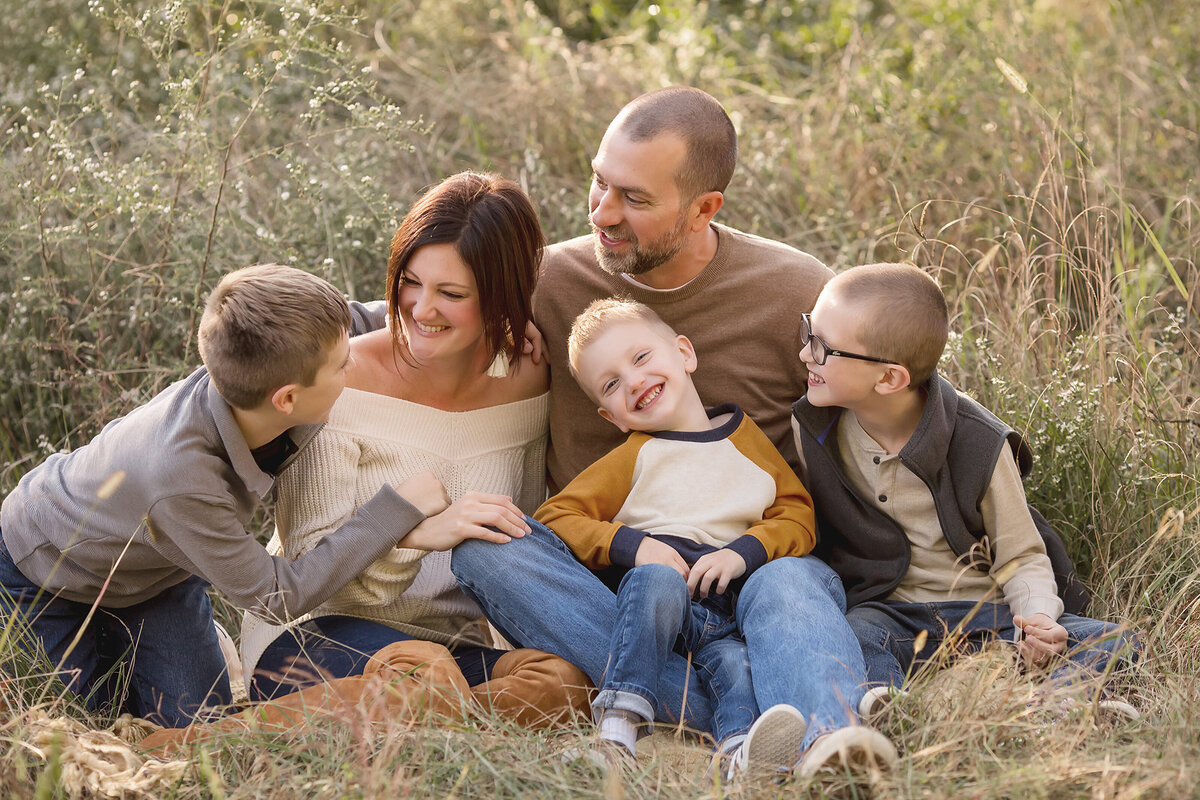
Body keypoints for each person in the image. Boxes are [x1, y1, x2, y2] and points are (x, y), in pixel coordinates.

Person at [453, 87, 896, 779]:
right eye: (599, 182)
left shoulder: (794, 292)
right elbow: (427, 309)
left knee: (791, 581)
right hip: (616, 592)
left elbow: (894, 385)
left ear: (703, 209)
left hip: (757, 577)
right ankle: (736, 701)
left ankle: (827, 741)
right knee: (483, 550)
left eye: (632, 198)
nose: (602, 212)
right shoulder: (546, 280)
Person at [0, 264, 443, 727]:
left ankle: (143, 636)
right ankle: (106, 642)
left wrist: (492, 324)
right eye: (342, 365)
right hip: (44, 573)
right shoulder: (182, 480)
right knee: (80, 724)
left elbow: (356, 321)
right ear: (287, 400)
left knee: (201, 726)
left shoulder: (260, 364)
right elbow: (278, 596)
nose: (356, 360)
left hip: (156, 577)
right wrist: (396, 511)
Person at [235, 171, 590, 729]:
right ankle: (184, 743)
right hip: (315, 630)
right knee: (422, 674)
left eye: (452, 294)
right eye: (410, 282)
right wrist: (417, 534)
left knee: (564, 684)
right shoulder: (340, 382)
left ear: (502, 297)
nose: (421, 309)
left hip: (449, 642)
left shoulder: (529, 380)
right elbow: (307, 567)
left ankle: (405, 720)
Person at [789, 262, 1140, 718]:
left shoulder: (979, 442)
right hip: (890, 617)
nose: (804, 355)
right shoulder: (814, 427)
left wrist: (1037, 621)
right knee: (853, 634)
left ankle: (1057, 706)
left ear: (889, 379)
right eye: (808, 333)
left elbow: (1022, 555)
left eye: (822, 348)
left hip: (986, 616)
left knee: (1115, 639)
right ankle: (891, 709)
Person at [539, 298, 855, 776]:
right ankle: (618, 729)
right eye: (612, 384)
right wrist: (636, 545)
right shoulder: (633, 456)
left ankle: (740, 755)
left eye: (641, 358)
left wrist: (743, 552)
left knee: (735, 668)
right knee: (653, 581)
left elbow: (797, 516)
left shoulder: (744, 437)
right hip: (666, 607)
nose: (634, 381)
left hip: (735, 605)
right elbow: (556, 515)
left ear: (684, 353)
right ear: (613, 417)